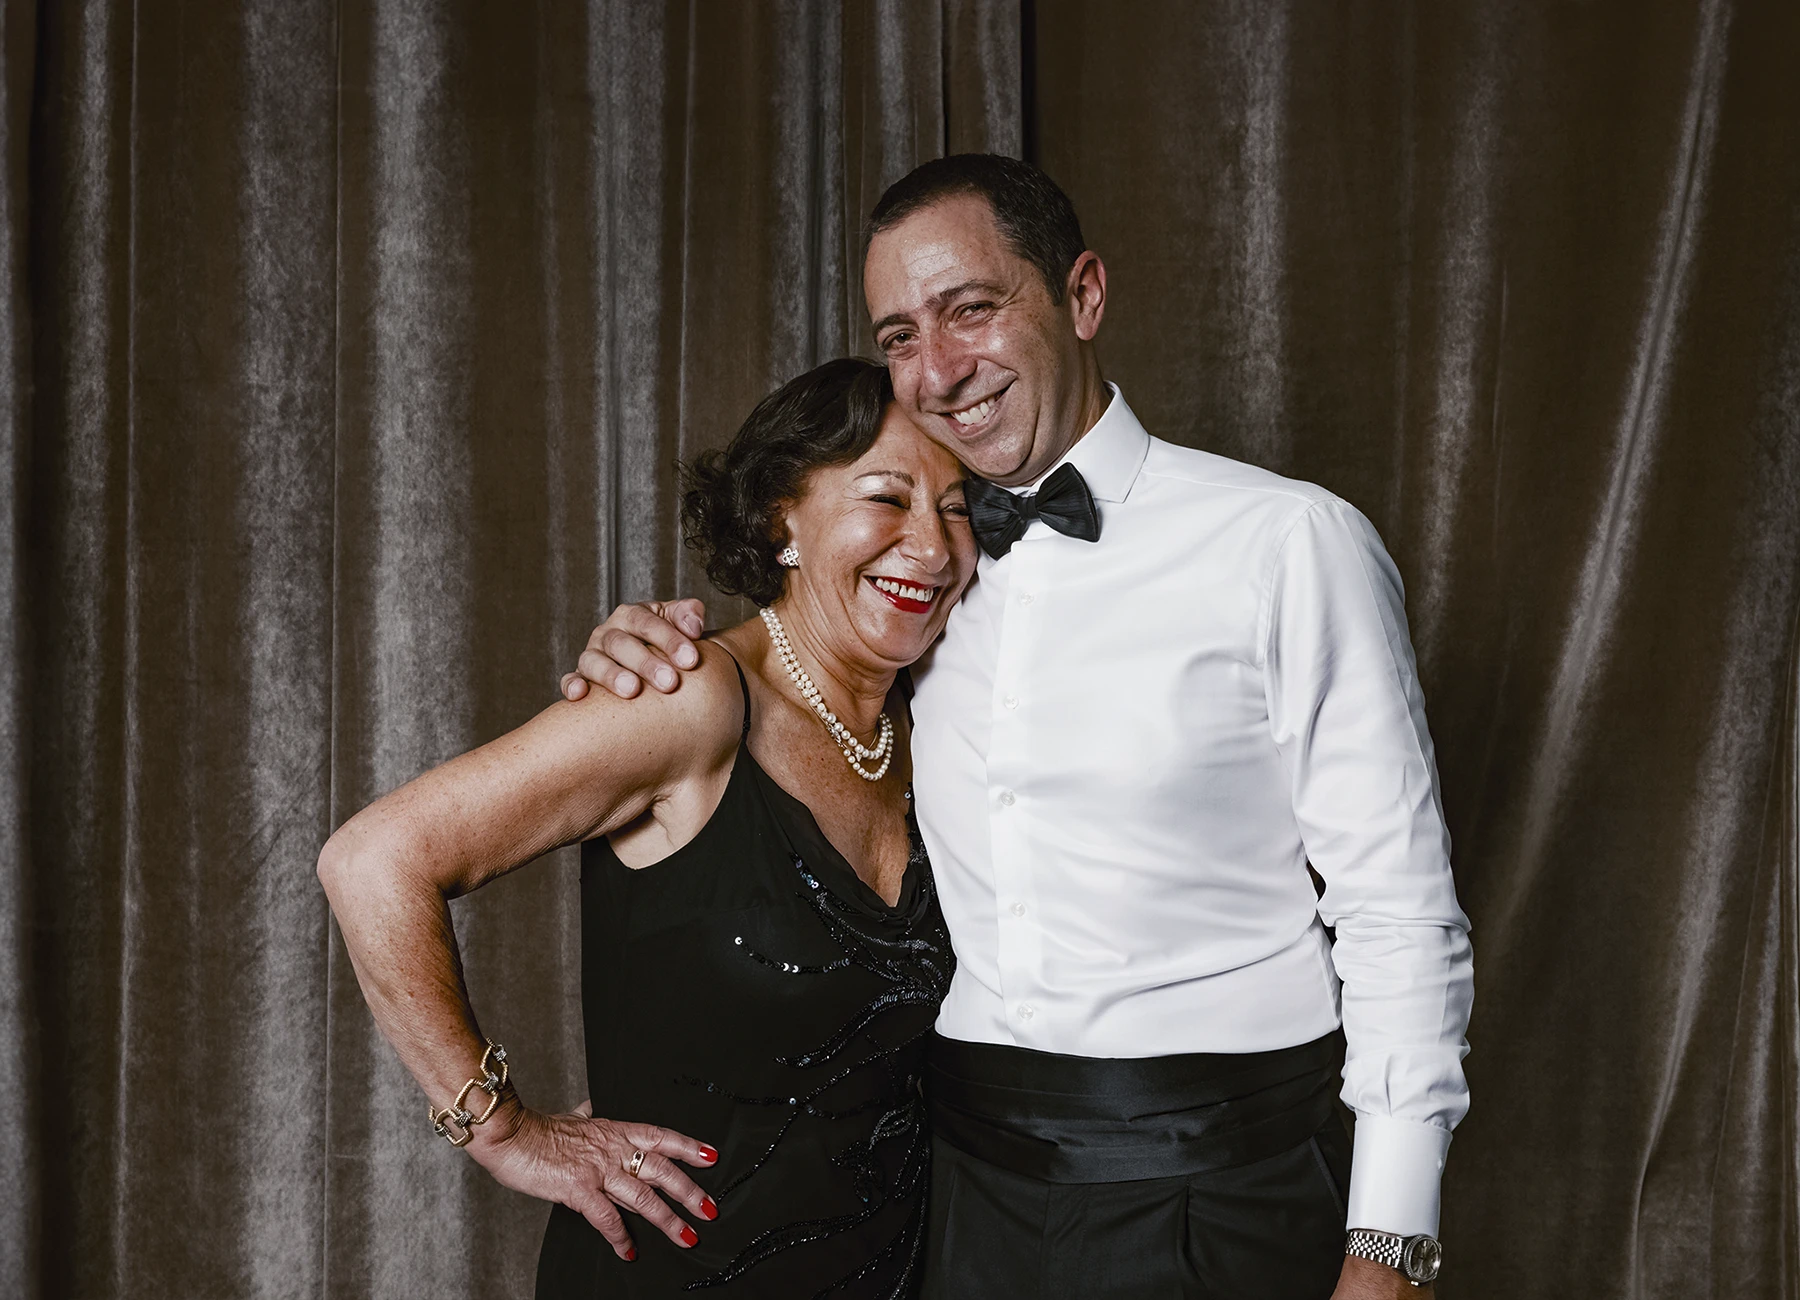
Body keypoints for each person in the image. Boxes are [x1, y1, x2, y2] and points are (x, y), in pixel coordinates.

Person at [566, 154, 1474, 1300]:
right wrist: (645, 649)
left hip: (1224, 1184)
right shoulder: (915, 577)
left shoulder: (1289, 545)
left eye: (972, 309)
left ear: (1082, 295)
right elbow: (788, 686)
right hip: (960, 1194)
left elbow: (1401, 915)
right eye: (899, 336)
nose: (939, 370)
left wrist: (1391, 1245)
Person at [317, 357, 977, 1298]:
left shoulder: (942, 719)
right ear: (781, 516)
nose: (930, 544)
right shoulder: (688, 700)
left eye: (957, 508)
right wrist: (503, 1130)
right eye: (887, 496)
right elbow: (372, 860)